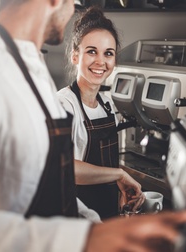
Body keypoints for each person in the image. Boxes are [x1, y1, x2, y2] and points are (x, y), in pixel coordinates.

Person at [0, 0, 186, 251]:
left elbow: (48, 186)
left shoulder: (33, 77)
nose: (72, 8)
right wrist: (85, 240)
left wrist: (93, 226)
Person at [57, 6, 141, 220]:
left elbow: (104, 166)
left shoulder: (106, 103)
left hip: (107, 215)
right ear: (75, 56)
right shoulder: (63, 104)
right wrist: (120, 174)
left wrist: (121, 188)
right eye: (92, 51)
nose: (100, 62)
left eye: (108, 54)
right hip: (76, 218)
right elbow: (66, 169)